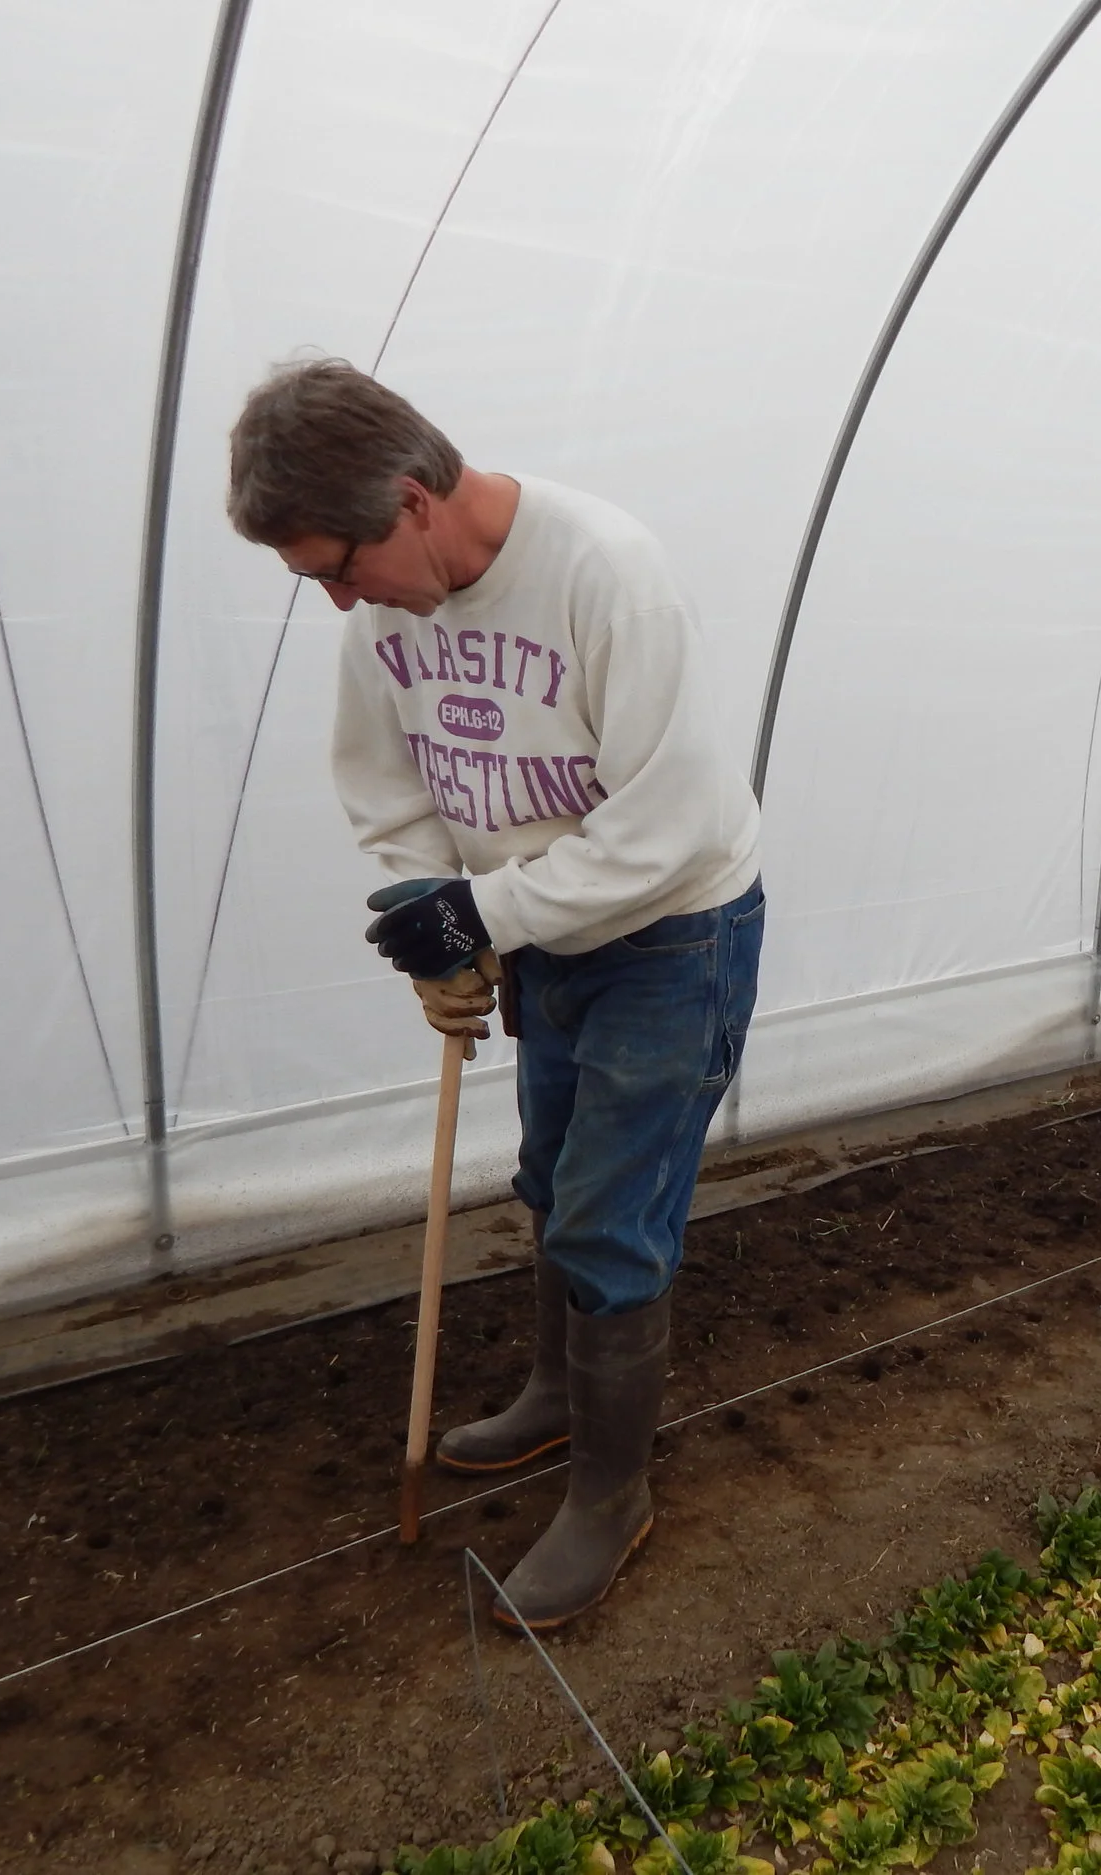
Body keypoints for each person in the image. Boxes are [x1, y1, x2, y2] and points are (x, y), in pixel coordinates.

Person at [227, 360, 763, 1629]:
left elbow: (671, 822)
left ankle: (608, 1496)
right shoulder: (383, 621)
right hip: (544, 939)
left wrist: (487, 915)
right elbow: (389, 786)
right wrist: (438, 933)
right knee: (551, 1176)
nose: (340, 603)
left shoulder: (602, 573)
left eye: (338, 570)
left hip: (667, 935)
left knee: (610, 1211)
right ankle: (555, 1391)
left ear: (413, 501)